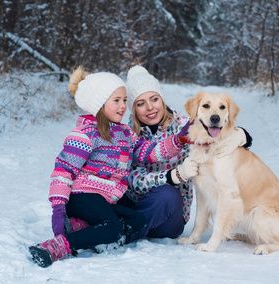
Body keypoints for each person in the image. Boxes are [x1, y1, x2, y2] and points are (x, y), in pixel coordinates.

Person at [28, 66, 190, 268]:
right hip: (82, 194)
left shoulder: (126, 133)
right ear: (99, 104)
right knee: (112, 228)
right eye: (117, 101)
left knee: (138, 220)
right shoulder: (85, 134)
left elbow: (151, 152)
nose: (123, 106)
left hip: (107, 197)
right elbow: (63, 172)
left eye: (124, 100)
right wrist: (58, 209)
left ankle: (85, 228)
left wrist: (179, 139)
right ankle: (58, 246)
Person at [116, 65, 252, 243]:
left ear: (162, 99)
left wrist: (242, 135)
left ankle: (118, 233)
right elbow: (130, 179)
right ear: (133, 109)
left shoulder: (184, 126)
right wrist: (172, 175)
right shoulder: (127, 134)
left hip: (169, 214)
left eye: (154, 99)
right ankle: (105, 224)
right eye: (140, 104)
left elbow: (215, 128)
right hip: (135, 204)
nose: (150, 107)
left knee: (167, 194)